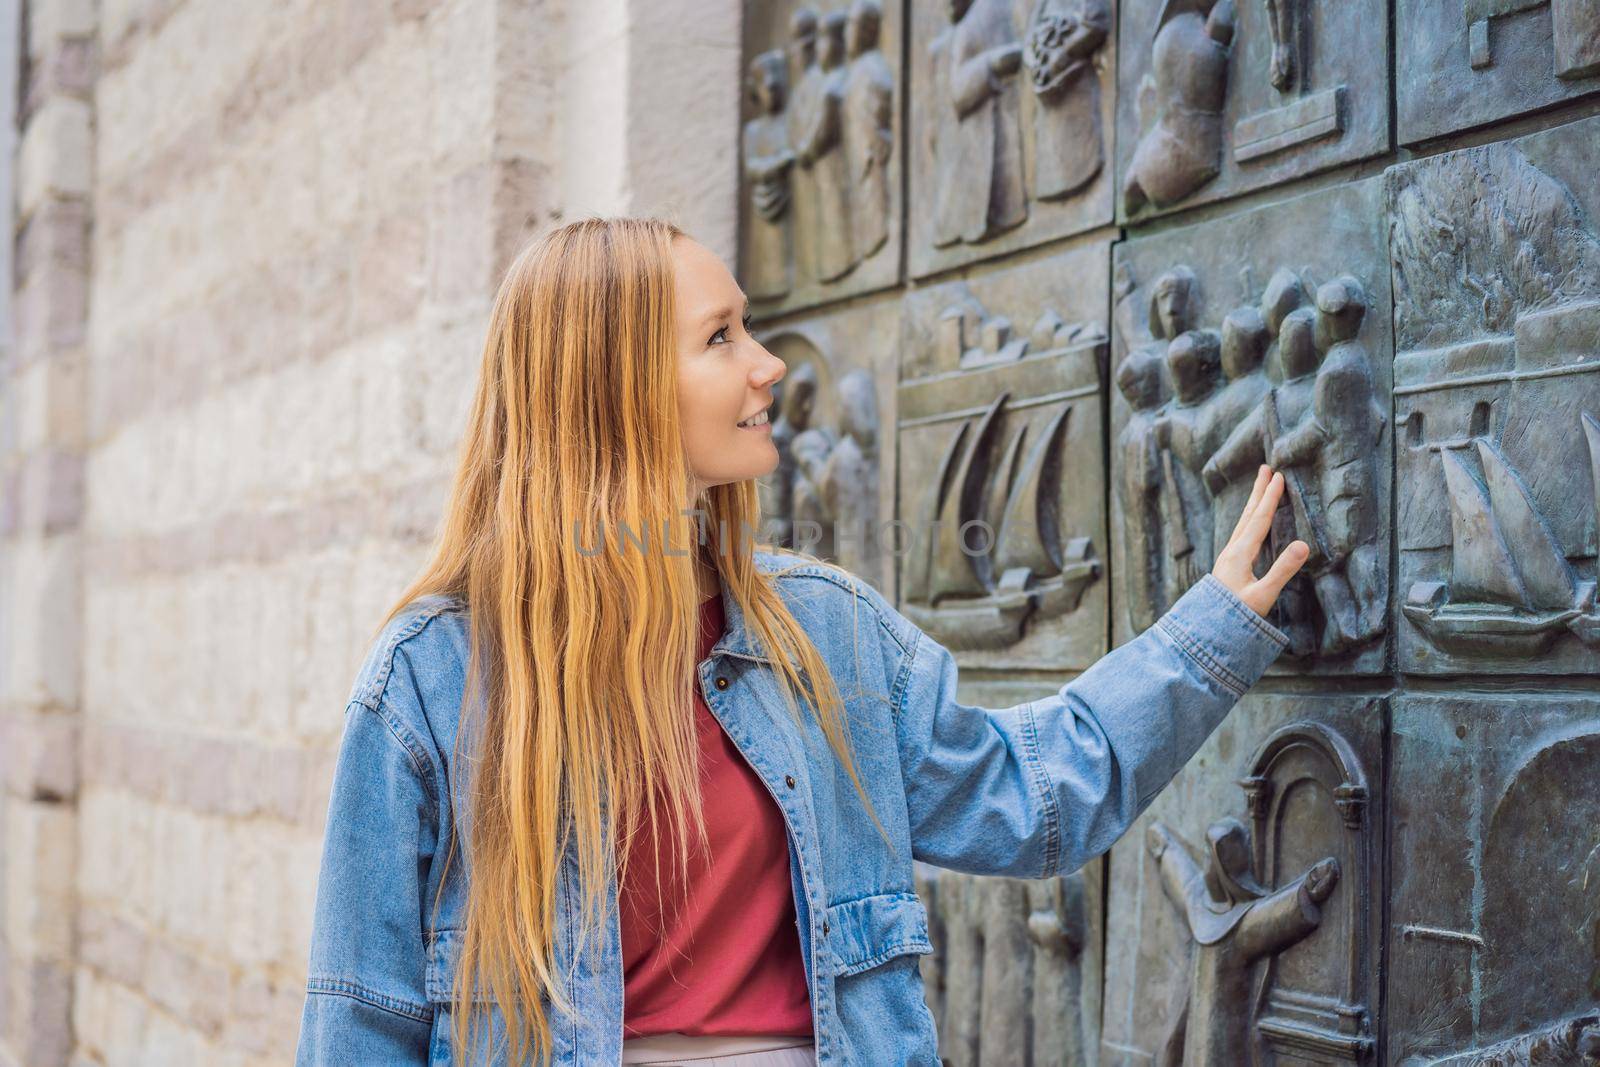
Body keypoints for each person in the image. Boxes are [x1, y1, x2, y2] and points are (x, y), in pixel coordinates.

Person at [292, 217, 1308, 1067]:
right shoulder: (431, 678)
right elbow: (359, 1019)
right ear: (614, 386)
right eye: (721, 337)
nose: (768, 364)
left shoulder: (824, 631)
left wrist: (1213, 627)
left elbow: (1036, 793)